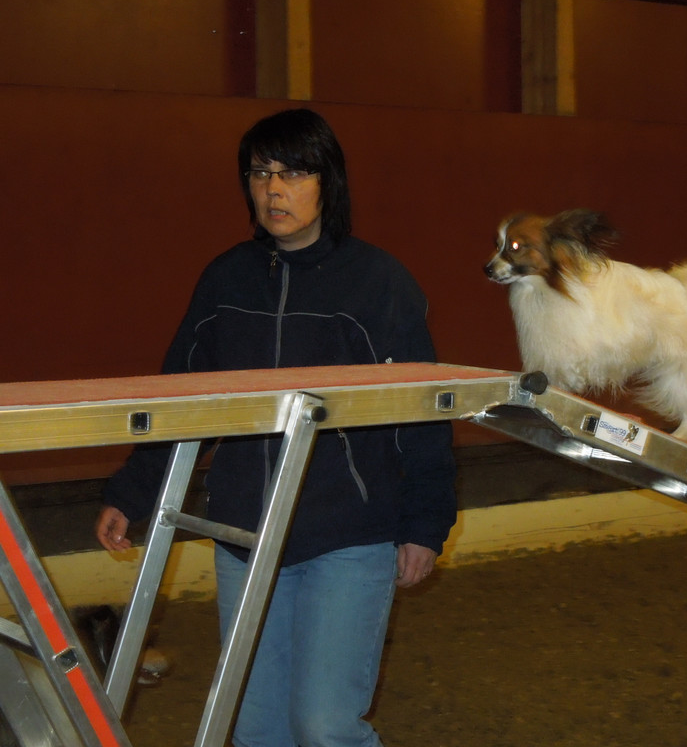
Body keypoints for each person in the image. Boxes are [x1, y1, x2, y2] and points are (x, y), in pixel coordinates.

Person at [95, 108, 457, 747]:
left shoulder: (380, 283)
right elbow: (181, 398)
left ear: (327, 183)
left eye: (293, 173)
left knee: (324, 727)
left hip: (348, 537)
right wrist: (132, 491)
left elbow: (423, 413)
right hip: (245, 535)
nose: (274, 190)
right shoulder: (225, 280)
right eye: (260, 174)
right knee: (257, 731)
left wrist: (424, 523)